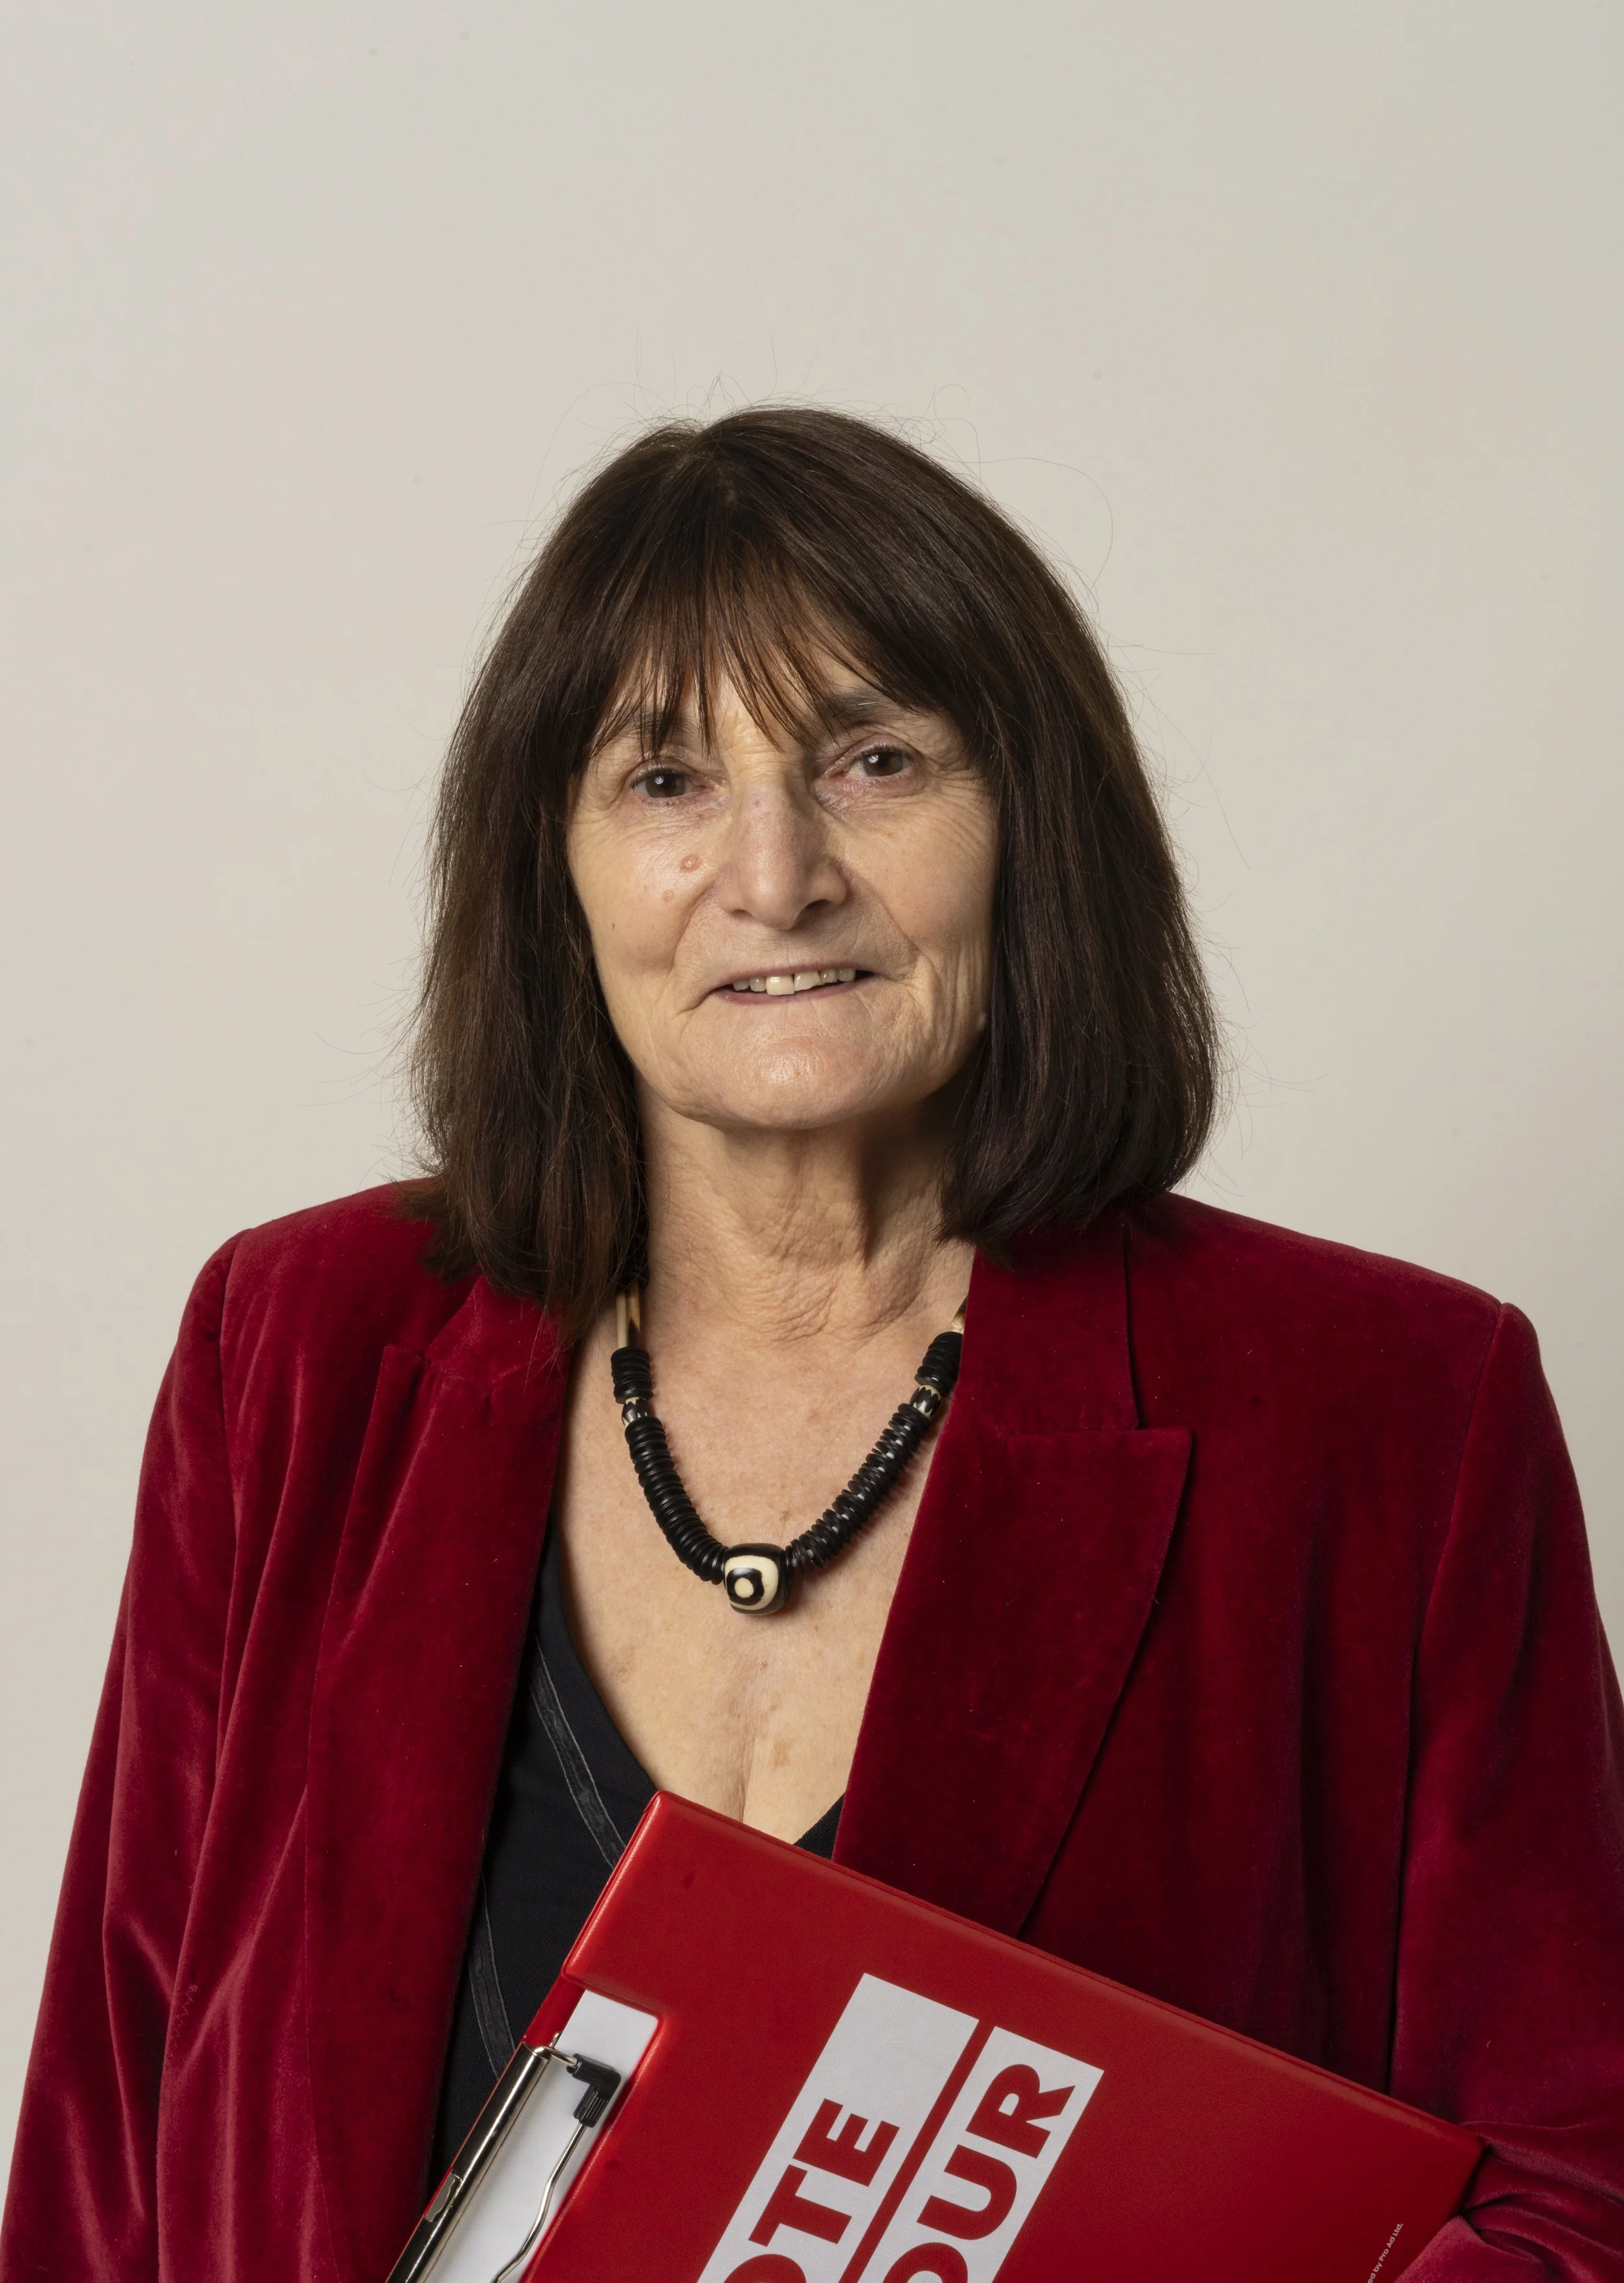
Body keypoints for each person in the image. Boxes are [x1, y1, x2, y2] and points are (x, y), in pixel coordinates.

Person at [3, 407, 1619, 2283]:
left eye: (872, 759)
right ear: (556, 870)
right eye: (665, 779)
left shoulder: (1387, 1412)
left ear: (1031, 825)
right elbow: (101, 2172)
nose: (774, 874)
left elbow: (1570, 2194)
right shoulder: (297, 1351)